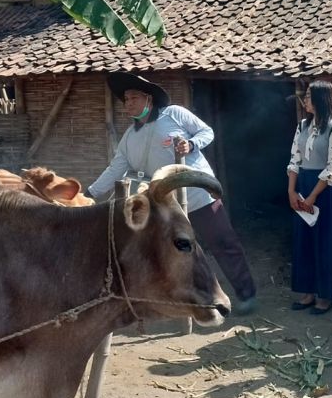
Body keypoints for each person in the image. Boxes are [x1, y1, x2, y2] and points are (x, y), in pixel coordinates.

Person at [86, 72, 258, 314]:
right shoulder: (129, 138)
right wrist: (91, 193)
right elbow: (115, 169)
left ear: (149, 99)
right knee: (171, 254)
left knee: (223, 242)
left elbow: (206, 132)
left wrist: (190, 144)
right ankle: (184, 301)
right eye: (125, 99)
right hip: (167, 208)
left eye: (134, 97)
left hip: (199, 195)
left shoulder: (174, 114)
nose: (128, 103)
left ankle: (246, 294)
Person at [286, 80, 332, 315]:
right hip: (302, 185)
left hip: (323, 190)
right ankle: (307, 292)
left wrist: (312, 197)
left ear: (322, 99)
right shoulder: (302, 126)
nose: (306, 100)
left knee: (324, 242)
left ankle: (324, 296)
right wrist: (292, 191)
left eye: (310, 96)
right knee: (304, 241)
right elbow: (294, 159)